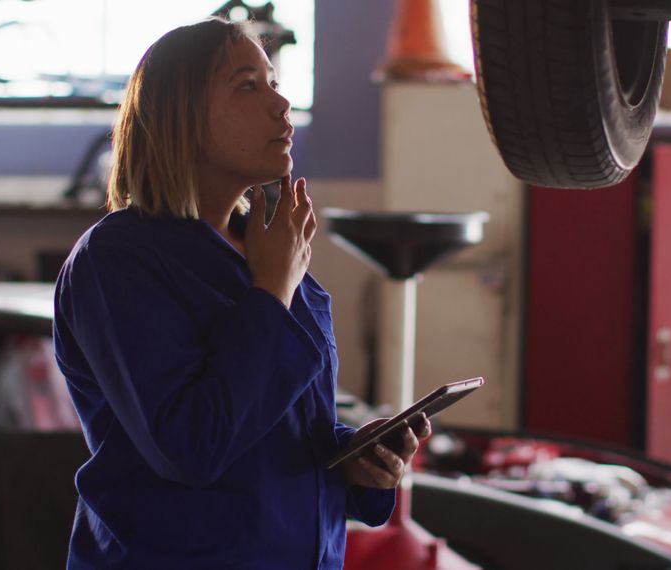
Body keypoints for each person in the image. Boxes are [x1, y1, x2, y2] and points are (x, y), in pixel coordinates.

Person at [52, 17, 431, 569]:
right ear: (180, 115)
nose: (281, 106)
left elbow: (271, 429)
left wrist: (351, 456)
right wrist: (272, 290)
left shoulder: (263, 247)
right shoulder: (117, 260)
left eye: (275, 82)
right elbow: (192, 445)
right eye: (248, 85)